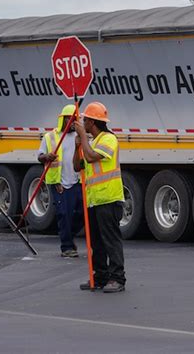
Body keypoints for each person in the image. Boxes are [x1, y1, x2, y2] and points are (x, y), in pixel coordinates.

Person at [73, 102, 126, 293]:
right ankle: (101, 276)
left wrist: (83, 139)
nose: (83, 122)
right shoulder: (92, 141)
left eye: (85, 120)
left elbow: (91, 157)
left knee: (111, 240)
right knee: (97, 242)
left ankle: (117, 278)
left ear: (93, 122)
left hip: (109, 198)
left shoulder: (109, 139)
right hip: (94, 199)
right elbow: (77, 166)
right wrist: (77, 145)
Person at [38, 104, 83, 258]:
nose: (73, 123)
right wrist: (47, 157)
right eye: (71, 120)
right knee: (64, 214)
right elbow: (40, 157)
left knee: (82, 213)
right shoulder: (50, 137)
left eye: (76, 120)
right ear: (63, 120)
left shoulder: (79, 137)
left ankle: (70, 235)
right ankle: (67, 247)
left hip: (77, 181)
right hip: (59, 183)